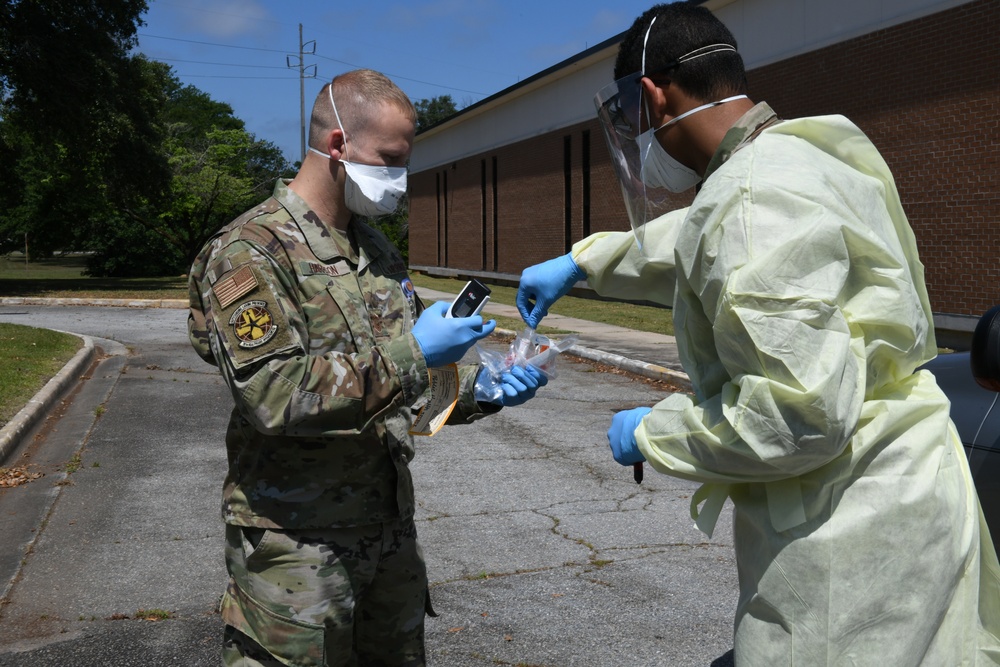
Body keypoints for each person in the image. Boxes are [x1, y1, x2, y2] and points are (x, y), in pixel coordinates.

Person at [517, 3, 1000, 664]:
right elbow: (700, 238)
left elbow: (797, 415)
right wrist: (584, 262)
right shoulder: (805, 154)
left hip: (846, 535)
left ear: (654, 97)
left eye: (633, 119)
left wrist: (653, 432)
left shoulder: (749, 199)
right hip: (910, 491)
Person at [188, 68, 547, 667]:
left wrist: (481, 392)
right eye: (390, 159)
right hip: (298, 548)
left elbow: (398, 394)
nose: (401, 181)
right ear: (338, 147)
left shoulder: (373, 250)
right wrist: (416, 352)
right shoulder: (249, 255)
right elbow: (275, 397)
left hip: (386, 534)